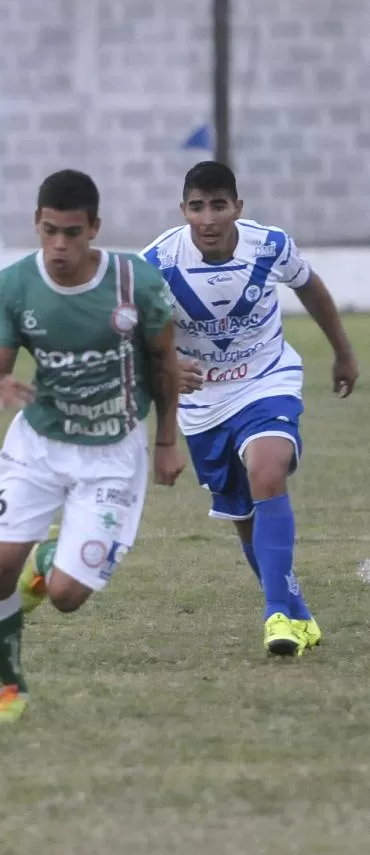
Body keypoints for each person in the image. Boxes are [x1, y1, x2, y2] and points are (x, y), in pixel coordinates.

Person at [0, 169, 185, 724]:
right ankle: (10, 688)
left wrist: (166, 440)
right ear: (36, 225)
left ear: (94, 227)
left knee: (67, 596)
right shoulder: (14, 285)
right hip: (38, 444)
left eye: (72, 232)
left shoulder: (134, 282)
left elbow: (165, 362)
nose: (60, 246)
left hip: (113, 451)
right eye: (49, 231)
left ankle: (50, 560)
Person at [140, 160, 359, 656]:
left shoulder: (271, 245)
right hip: (203, 401)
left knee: (268, 468)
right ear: (183, 211)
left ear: (238, 207)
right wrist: (171, 363)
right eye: (198, 206)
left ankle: (275, 614)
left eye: (219, 205)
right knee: (244, 515)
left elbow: (310, 286)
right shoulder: (156, 263)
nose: (209, 218)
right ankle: (296, 612)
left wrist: (343, 351)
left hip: (266, 378)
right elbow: (135, 334)